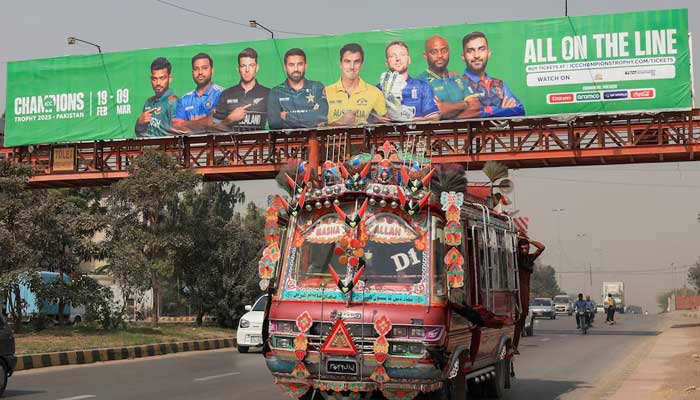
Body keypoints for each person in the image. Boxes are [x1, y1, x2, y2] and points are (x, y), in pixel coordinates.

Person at [461, 32, 525, 118]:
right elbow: (469, 114)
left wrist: (488, 111)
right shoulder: (457, 85)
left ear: (489, 53)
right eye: (470, 51)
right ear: (463, 56)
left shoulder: (500, 84)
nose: (476, 55)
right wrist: (503, 110)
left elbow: (520, 110)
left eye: (481, 49)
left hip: (502, 131)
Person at [417, 35, 480, 120]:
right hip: (436, 132)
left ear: (449, 52)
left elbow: (476, 108)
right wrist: (464, 104)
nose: (440, 55)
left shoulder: (459, 79)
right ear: (425, 55)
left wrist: (449, 116)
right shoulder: (419, 83)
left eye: (444, 50)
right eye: (434, 52)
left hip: (464, 132)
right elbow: (435, 114)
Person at [377, 40, 440, 122]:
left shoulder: (423, 87)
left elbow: (434, 118)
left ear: (409, 60)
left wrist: (405, 120)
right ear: (387, 63)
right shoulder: (378, 90)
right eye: (392, 56)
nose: (398, 58)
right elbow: (374, 121)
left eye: (402, 55)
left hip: (417, 134)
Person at [326, 43, 387, 126]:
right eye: (347, 61)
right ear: (340, 64)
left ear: (361, 65)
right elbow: (315, 130)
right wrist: (340, 122)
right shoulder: (326, 92)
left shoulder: (375, 93)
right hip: (333, 139)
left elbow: (385, 124)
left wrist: (373, 124)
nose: (352, 67)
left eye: (356, 62)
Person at [267, 48, 328, 130]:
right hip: (287, 141)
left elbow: (321, 115)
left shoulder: (317, 87)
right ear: (285, 67)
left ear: (305, 66)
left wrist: (287, 117)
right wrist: (311, 118)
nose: (296, 69)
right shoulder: (276, 92)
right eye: (291, 65)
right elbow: (275, 124)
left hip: (313, 140)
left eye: (300, 64)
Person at [212, 48, 270, 132]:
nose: (247, 70)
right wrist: (229, 119)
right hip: (232, 144)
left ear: (257, 68)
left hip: (260, 144)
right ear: (238, 69)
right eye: (243, 66)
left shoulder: (268, 93)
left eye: (251, 65)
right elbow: (213, 129)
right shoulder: (226, 94)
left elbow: (277, 125)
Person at [172, 52, 224, 134]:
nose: (200, 72)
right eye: (196, 69)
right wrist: (206, 120)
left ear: (212, 70)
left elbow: (216, 123)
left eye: (204, 68)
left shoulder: (222, 94)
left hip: (217, 145)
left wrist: (185, 124)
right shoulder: (184, 100)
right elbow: (176, 127)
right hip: (189, 146)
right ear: (192, 72)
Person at [512, 236, 545, 353]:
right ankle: (512, 344)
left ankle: (514, 345)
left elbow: (541, 247)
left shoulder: (530, 258)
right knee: (517, 315)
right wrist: (516, 240)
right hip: (517, 287)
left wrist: (529, 240)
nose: (525, 250)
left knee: (523, 315)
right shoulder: (515, 258)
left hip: (525, 288)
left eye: (526, 248)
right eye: (523, 248)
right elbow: (513, 248)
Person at [135, 57, 178, 137]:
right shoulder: (148, 102)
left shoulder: (173, 102)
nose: (158, 83)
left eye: (162, 78)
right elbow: (140, 133)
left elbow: (177, 134)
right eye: (155, 79)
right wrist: (139, 123)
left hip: (164, 148)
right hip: (146, 148)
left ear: (170, 79)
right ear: (151, 80)